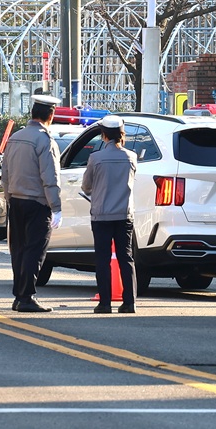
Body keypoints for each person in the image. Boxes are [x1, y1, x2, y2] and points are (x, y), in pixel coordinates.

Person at [1, 94, 63, 312]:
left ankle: (19, 295)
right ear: (51, 115)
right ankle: (26, 297)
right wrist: (56, 207)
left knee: (18, 249)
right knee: (34, 251)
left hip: (16, 201)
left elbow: (5, 173)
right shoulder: (44, 140)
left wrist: (9, 197)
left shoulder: (15, 137)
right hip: (37, 203)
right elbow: (50, 177)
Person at [81, 115, 137, 314]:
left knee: (103, 259)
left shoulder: (95, 158)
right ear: (122, 135)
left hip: (101, 215)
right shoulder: (131, 157)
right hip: (124, 215)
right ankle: (129, 302)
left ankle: (105, 303)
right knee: (126, 258)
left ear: (103, 135)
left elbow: (86, 186)